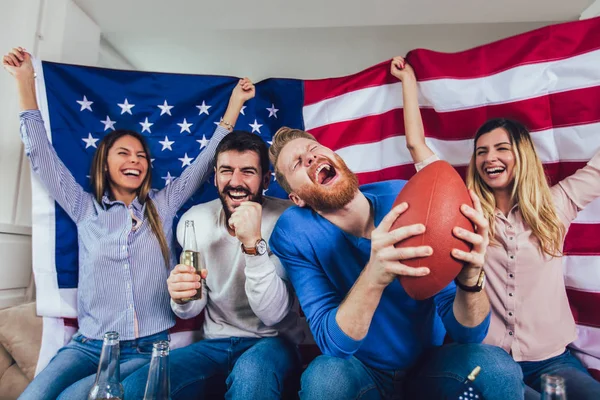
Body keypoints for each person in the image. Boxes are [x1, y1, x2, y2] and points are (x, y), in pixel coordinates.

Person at [3, 47, 255, 399]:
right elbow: (42, 157)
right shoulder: (83, 208)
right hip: (88, 346)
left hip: (147, 348)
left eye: (140, 156)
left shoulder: (162, 206)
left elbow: (203, 164)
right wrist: (24, 82)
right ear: (105, 164)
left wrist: (235, 105)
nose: (135, 160)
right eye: (124, 153)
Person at [267, 65, 525, 400]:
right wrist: (375, 273)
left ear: (335, 157)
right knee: (323, 379)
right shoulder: (295, 232)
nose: (312, 156)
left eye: (315, 149)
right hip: (361, 372)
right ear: (297, 198)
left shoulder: (404, 197)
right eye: (298, 163)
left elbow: (468, 334)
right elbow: (333, 343)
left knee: (496, 367)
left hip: (428, 368)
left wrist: (470, 277)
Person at [397, 54, 600, 399]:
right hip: (486, 364)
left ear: (521, 155)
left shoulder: (556, 204)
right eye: (482, 151)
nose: (490, 157)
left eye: (502, 149)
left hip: (551, 365)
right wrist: (408, 84)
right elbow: (418, 148)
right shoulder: (464, 210)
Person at [122, 131, 304, 399]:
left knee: (252, 374)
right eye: (226, 171)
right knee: (139, 386)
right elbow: (190, 308)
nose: (236, 182)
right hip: (215, 343)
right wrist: (182, 297)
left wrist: (253, 245)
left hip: (274, 342)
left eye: (248, 172)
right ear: (216, 176)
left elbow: (273, 315)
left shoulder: (287, 220)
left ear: (265, 179)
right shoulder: (195, 221)